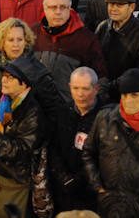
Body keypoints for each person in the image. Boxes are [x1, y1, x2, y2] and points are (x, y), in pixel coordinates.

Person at [82, 67, 139, 218]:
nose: (128, 100)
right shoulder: (104, 118)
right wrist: (99, 188)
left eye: (134, 95)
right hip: (108, 205)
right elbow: (88, 152)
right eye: (124, 95)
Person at [0, 57, 49, 218]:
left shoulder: (32, 112)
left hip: (16, 183)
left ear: (24, 84)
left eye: (11, 77)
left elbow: (21, 152)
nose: (4, 80)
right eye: (4, 75)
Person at [33, 0, 108, 98]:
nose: (58, 12)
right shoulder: (31, 34)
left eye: (63, 7)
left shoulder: (86, 39)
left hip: (71, 109)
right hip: (35, 108)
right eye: (53, 7)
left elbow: (101, 78)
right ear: (44, 9)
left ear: (70, 9)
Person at [52, 66, 101, 212]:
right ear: (69, 87)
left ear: (96, 89)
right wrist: (63, 177)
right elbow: (53, 147)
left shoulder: (104, 116)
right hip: (63, 189)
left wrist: (79, 180)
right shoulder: (62, 112)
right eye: (76, 88)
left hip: (91, 193)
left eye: (85, 89)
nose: (80, 94)